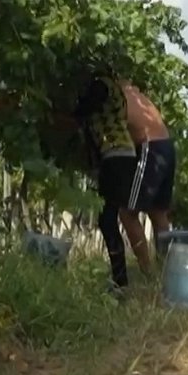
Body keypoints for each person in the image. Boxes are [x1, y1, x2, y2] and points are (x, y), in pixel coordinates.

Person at [72, 69, 143, 292]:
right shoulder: (115, 90)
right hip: (120, 156)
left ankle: (120, 282)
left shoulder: (102, 85)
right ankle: (120, 279)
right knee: (109, 218)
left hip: (116, 156)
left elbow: (83, 110)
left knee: (108, 219)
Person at [119, 81, 178, 266]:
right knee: (158, 212)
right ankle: (163, 269)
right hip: (167, 147)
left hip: (151, 148)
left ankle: (147, 271)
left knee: (127, 213)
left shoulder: (118, 98)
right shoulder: (136, 94)